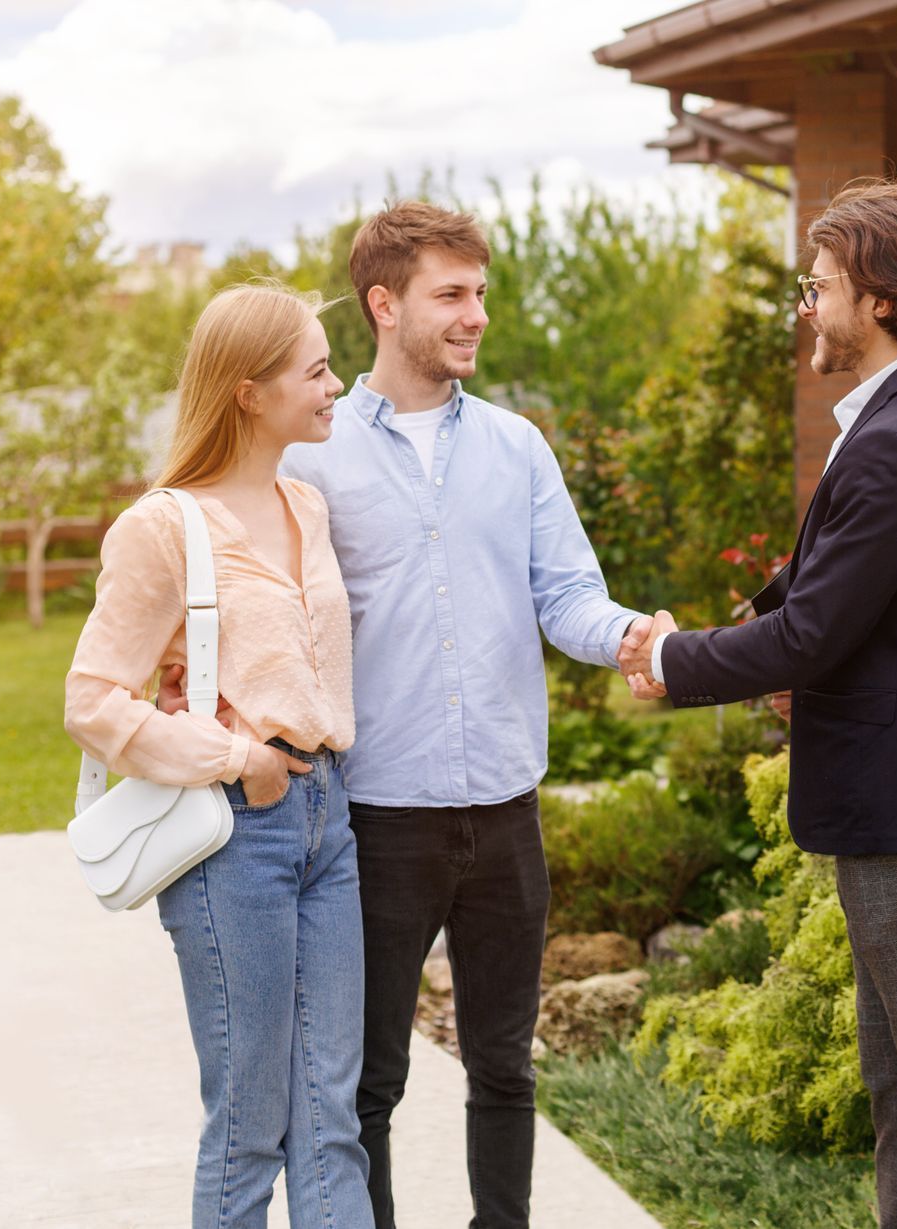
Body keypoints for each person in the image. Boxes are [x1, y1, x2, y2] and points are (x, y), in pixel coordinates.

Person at [623, 180, 897, 1228]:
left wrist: (677, 658)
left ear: (886, 301)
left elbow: (816, 634)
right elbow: (853, 595)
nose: (806, 308)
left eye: (819, 288)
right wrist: (736, 627)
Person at [271, 200, 654, 1229]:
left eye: (481, 292)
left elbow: (567, 593)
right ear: (384, 304)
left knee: (505, 1069)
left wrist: (632, 638)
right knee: (368, 1087)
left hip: (506, 815)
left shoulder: (517, 447)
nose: (476, 313)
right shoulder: (311, 456)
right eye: (453, 294)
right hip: (375, 821)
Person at [64, 282, 370, 1229]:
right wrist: (238, 756)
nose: (335, 386)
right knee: (247, 1124)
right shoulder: (164, 526)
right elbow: (91, 700)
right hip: (235, 835)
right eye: (316, 370)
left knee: (331, 1118)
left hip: (330, 818)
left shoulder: (305, 505)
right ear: (249, 392)